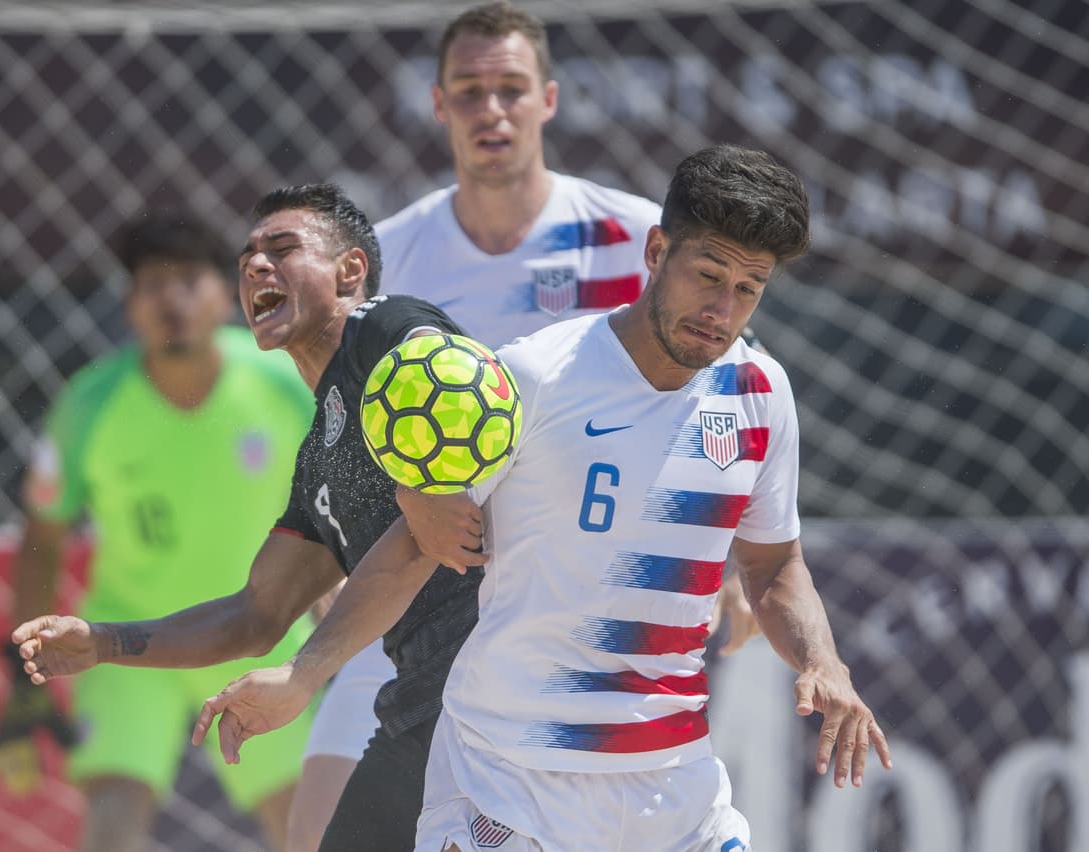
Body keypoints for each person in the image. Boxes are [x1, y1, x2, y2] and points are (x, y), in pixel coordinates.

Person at [191, 145, 893, 852]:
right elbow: (413, 544)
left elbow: (775, 567)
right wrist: (305, 673)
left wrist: (822, 662)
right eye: (708, 275)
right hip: (509, 785)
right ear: (655, 251)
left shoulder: (761, 396)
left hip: (674, 789)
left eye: (749, 289)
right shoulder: (536, 376)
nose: (722, 308)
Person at [300, 5, 761, 836]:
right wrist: (342, 545)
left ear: (548, 99)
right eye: (470, 92)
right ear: (438, 105)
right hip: (418, 589)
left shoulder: (633, 237)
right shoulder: (391, 253)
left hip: (572, 607)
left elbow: (723, 391)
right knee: (315, 832)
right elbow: (336, 420)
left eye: (510, 89)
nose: (492, 111)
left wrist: (730, 559)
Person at [11, 184, 483, 852]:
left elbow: (429, 502)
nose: (257, 266)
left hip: (505, 681)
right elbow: (255, 615)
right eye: (248, 259)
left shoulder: (393, 336)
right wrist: (102, 642)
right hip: (411, 692)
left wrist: (432, 481)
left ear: (351, 272)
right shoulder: (318, 455)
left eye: (282, 249)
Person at [0, 211, 317, 852]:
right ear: (130, 305)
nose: (171, 300)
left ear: (225, 295)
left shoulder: (284, 383)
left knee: (307, 829)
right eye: (152, 285)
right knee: (110, 825)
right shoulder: (90, 403)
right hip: (125, 638)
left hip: (262, 631)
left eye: (188, 281)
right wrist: (20, 684)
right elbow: (43, 538)